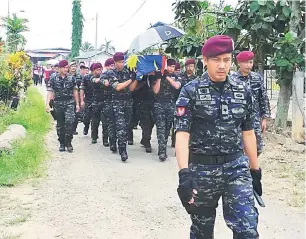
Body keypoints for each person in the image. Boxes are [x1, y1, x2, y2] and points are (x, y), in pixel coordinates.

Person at [174, 35, 261, 238]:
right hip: (202, 171)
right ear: (205, 60)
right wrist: (184, 173)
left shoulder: (243, 90)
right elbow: (182, 135)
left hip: (236, 168)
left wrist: (255, 170)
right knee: (202, 231)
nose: (222, 65)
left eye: (227, 59)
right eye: (216, 60)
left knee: (247, 230)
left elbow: (248, 132)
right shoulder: (190, 91)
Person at [231, 51, 271, 156]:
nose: (249, 65)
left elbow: (263, 98)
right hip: (238, 119)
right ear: (239, 63)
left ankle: (251, 167)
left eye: (251, 62)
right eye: (246, 63)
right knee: (239, 146)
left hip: (255, 119)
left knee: (257, 147)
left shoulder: (257, 78)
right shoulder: (232, 79)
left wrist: (264, 118)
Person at [108, 52, 138, 162]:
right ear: (115, 62)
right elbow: (118, 87)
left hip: (128, 102)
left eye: (123, 62)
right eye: (119, 62)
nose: (122, 64)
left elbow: (131, 89)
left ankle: (120, 144)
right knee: (120, 127)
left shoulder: (129, 71)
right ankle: (123, 150)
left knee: (126, 126)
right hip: (117, 103)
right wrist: (131, 79)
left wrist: (136, 79)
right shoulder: (111, 73)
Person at [45, 60, 80, 152]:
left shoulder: (71, 78)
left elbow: (75, 91)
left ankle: (68, 142)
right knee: (60, 124)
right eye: (64, 67)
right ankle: (61, 143)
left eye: (67, 67)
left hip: (69, 102)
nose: (66, 69)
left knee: (69, 122)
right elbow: (50, 91)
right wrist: (47, 104)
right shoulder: (53, 78)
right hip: (58, 103)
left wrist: (77, 104)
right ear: (59, 68)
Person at [152, 58, 181, 161]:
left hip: (170, 104)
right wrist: (160, 78)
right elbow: (155, 91)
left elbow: (177, 86)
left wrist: (167, 77)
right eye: (169, 66)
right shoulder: (158, 75)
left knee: (167, 128)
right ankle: (162, 151)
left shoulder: (177, 76)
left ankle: (163, 146)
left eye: (173, 66)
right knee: (160, 127)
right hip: (159, 104)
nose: (171, 68)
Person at [171, 58, 198, 148]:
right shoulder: (180, 77)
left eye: (192, 66)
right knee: (178, 124)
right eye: (188, 66)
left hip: (192, 105)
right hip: (180, 105)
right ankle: (176, 143)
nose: (190, 68)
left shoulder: (196, 79)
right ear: (185, 67)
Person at [90, 62, 110, 146]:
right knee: (95, 122)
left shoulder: (105, 77)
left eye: (101, 69)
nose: (100, 71)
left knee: (105, 122)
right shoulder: (92, 78)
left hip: (105, 102)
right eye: (97, 70)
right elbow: (96, 80)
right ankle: (94, 137)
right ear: (94, 71)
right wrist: (103, 78)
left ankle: (105, 139)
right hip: (96, 102)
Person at [138, 72, 158, 153]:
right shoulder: (142, 76)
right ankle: (147, 142)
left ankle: (145, 138)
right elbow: (136, 89)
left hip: (154, 102)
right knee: (145, 122)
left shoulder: (156, 76)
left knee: (152, 122)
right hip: (143, 101)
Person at [101, 58, 117, 152]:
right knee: (109, 123)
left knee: (118, 124)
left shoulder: (117, 73)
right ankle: (111, 142)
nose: (112, 67)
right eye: (110, 66)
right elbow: (106, 83)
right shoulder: (104, 75)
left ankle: (116, 141)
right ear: (106, 67)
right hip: (107, 102)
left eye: (113, 65)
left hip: (118, 102)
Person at [80, 63, 95, 135]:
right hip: (88, 99)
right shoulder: (86, 78)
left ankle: (94, 134)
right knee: (86, 117)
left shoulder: (101, 77)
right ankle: (86, 127)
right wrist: (82, 100)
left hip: (97, 100)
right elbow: (82, 89)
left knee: (95, 119)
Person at [70, 61, 83, 135]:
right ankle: (69, 129)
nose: (73, 67)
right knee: (69, 114)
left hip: (77, 98)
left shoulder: (79, 76)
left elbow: (81, 88)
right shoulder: (67, 75)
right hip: (68, 97)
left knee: (76, 114)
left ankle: (73, 129)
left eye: (74, 66)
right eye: (72, 66)